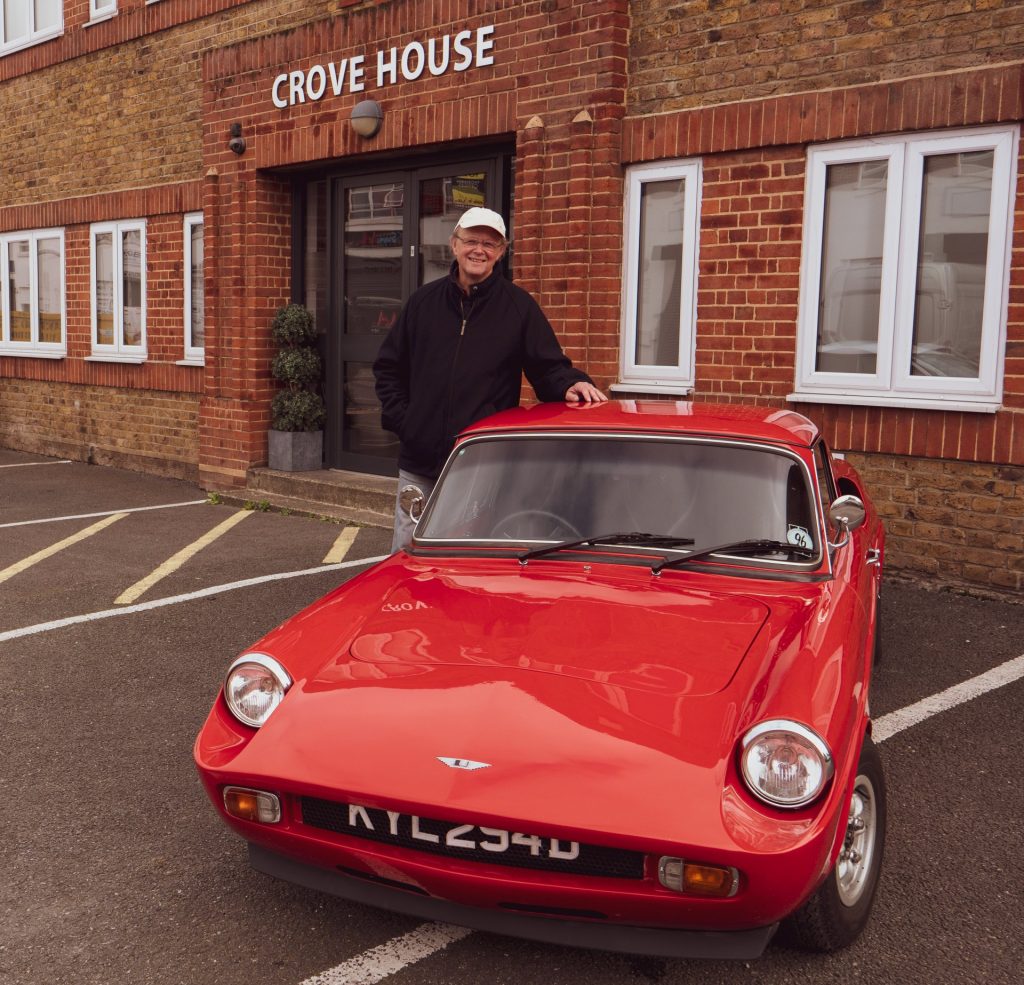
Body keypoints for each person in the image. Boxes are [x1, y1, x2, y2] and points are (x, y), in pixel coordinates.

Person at [373, 206, 606, 552]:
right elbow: (388, 368)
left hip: (480, 463)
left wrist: (570, 382)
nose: (479, 250)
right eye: (471, 240)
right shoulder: (423, 303)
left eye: (490, 243)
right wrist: (407, 423)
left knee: (464, 555)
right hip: (419, 462)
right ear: (454, 245)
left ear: (501, 252)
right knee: (407, 554)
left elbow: (548, 368)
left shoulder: (518, 307)